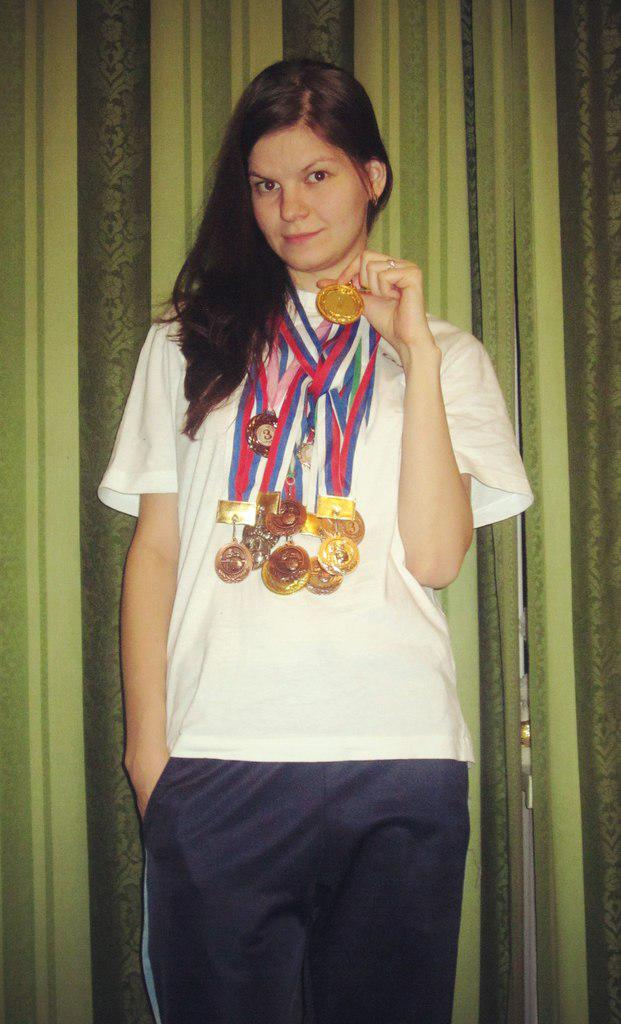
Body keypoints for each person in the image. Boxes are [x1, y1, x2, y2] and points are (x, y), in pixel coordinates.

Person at [98, 58, 534, 1024]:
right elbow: (157, 550)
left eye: (317, 174)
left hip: (399, 761)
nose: (289, 207)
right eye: (265, 184)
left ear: (371, 177)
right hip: (220, 757)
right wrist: (148, 755)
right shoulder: (182, 344)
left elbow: (436, 557)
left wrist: (413, 355)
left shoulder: (449, 356)